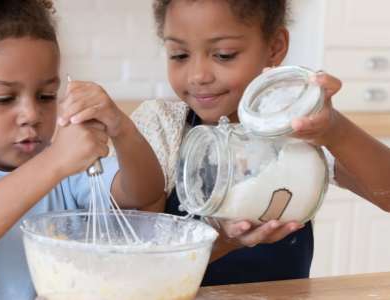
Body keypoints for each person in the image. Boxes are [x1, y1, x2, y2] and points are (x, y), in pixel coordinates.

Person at [132, 0, 390, 286]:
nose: (198, 76)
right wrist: (222, 242)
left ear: (275, 47)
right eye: (179, 55)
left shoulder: (293, 128)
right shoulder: (160, 128)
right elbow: (141, 268)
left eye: (223, 55)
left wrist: (336, 131)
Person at [0, 1, 164, 299]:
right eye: (5, 98)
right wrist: (55, 161)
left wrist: (121, 128)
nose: (31, 114)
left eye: (46, 96)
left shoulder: (68, 173)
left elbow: (143, 193)